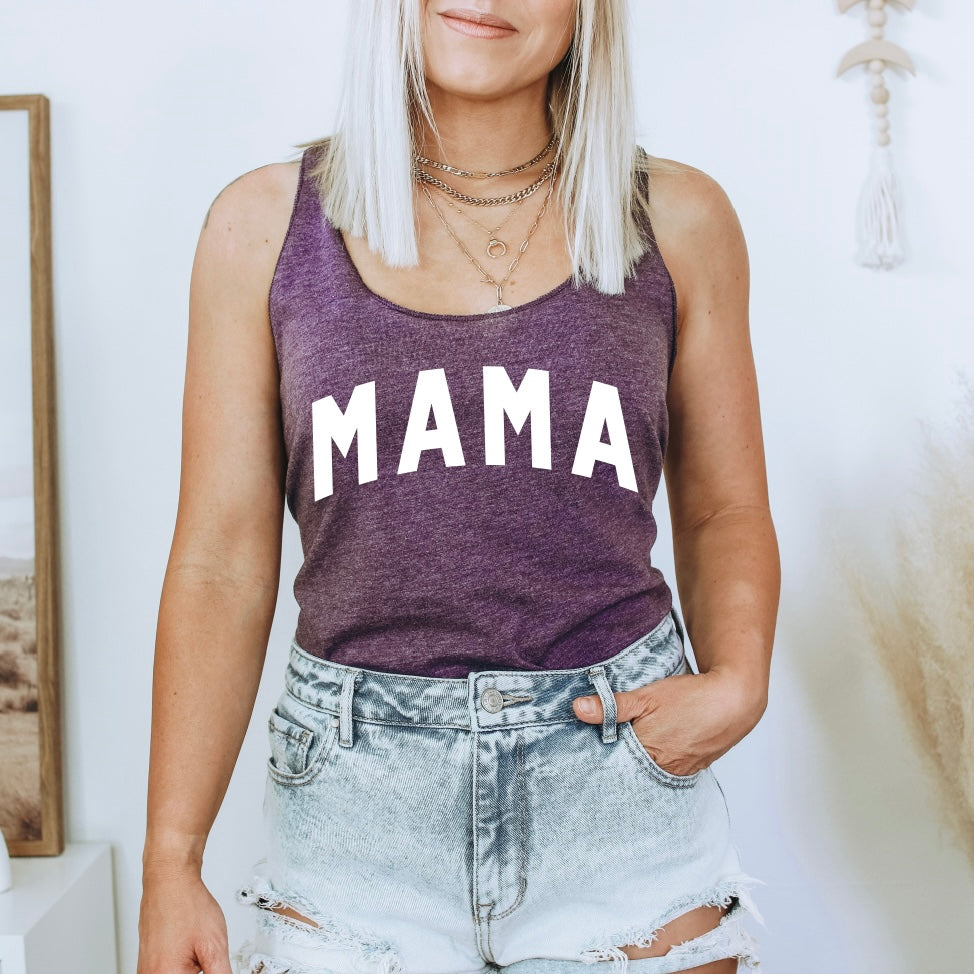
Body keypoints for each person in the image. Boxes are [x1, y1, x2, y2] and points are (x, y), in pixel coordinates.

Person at [138, 1, 780, 973]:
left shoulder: (677, 220)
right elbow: (219, 563)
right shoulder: (262, 227)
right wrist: (169, 861)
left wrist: (738, 681)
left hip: (615, 784)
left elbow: (720, 505)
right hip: (358, 808)